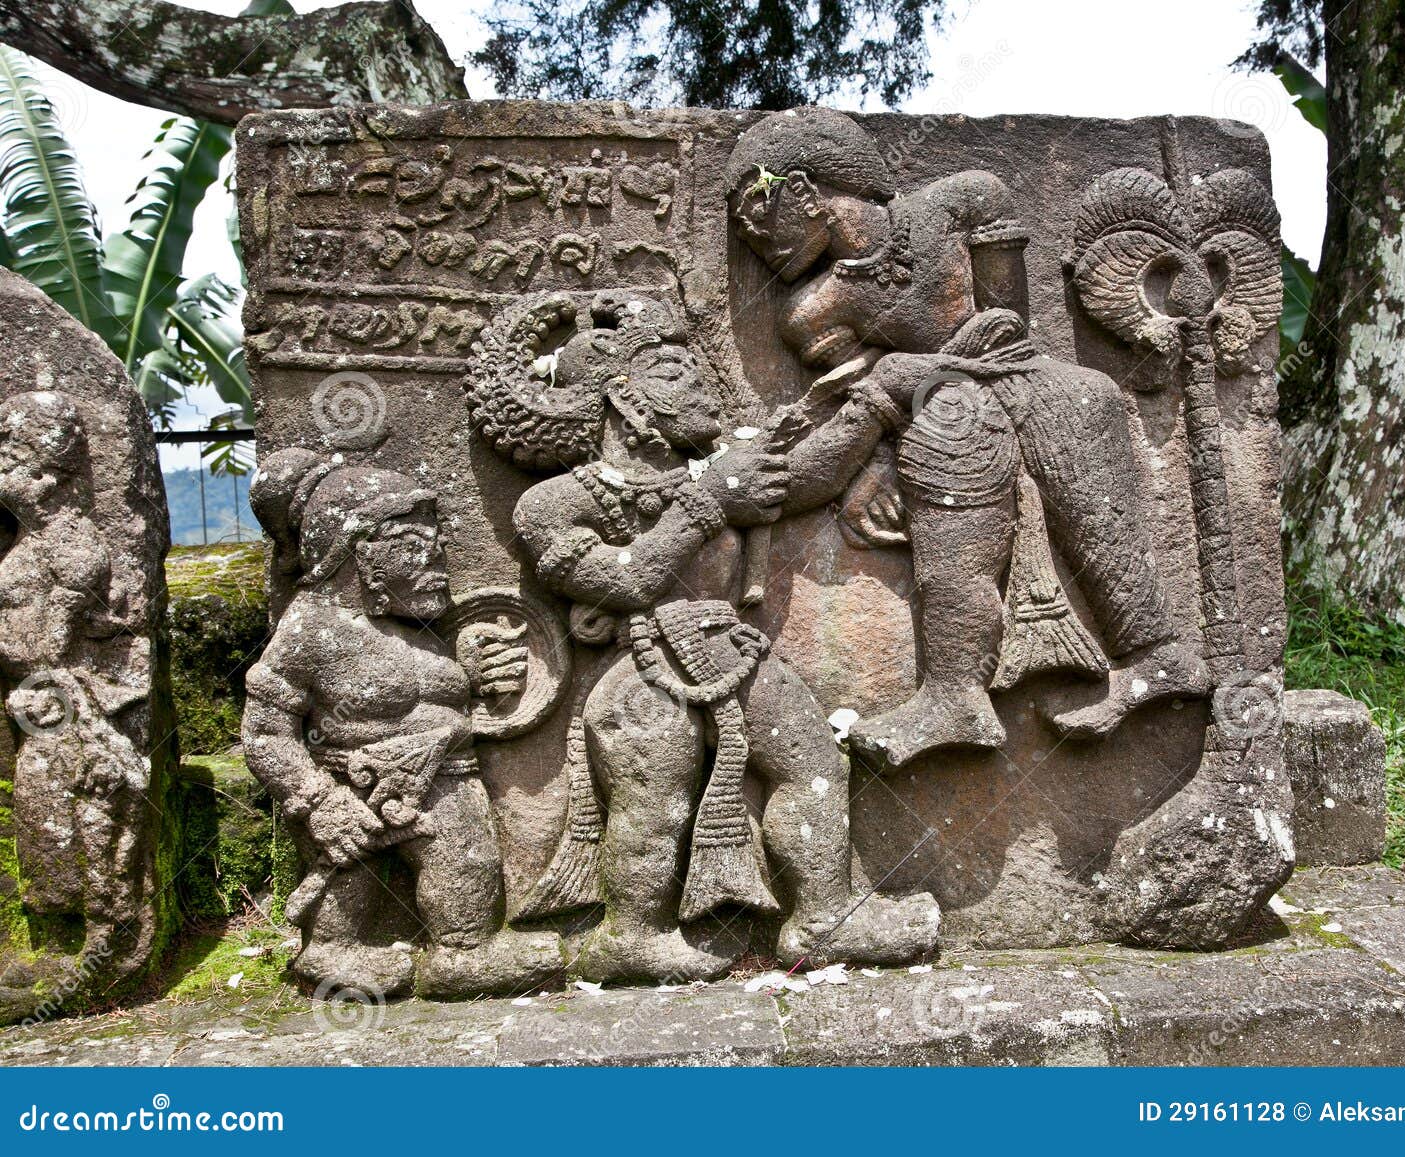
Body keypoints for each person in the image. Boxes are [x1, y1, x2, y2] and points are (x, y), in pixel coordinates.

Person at [466, 292, 939, 981]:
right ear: (624, 402)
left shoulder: (722, 468)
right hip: (642, 670)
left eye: (696, 366)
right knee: (657, 800)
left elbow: (814, 473)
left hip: (730, 651)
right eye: (671, 371)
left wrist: (875, 403)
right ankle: (631, 934)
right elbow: (627, 581)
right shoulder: (554, 502)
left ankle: (823, 918)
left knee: (813, 761)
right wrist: (710, 500)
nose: (699, 383)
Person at [725, 108, 1208, 768]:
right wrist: (883, 457)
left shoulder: (965, 202)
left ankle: (1157, 655)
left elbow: (1008, 327)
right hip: (936, 419)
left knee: (1075, 408)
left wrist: (906, 373)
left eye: (761, 218)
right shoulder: (809, 311)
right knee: (952, 434)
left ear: (804, 193)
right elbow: (857, 392)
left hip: (1020, 377)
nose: (760, 247)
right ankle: (957, 693)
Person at [243, 448, 554, 996]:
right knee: (349, 881)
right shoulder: (313, 628)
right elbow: (266, 731)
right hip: (353, 792)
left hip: (447, 784)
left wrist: (474, 675)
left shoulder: (419, 626)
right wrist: (318, 801)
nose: (437, 564)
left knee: (469, 874)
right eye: (413, 547)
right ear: (357, 553)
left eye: (437, 547)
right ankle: (333, 951)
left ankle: (463, 953)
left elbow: (438, 698)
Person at [0, 391, 152, 982]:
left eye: (8, 459)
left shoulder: (68, 546)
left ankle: (95, 931)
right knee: (46, 810)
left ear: (43, 474)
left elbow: (34, 647)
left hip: (62, 697)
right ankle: (66, 933)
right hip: (43, 696)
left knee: (70, 802)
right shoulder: (35, 544)